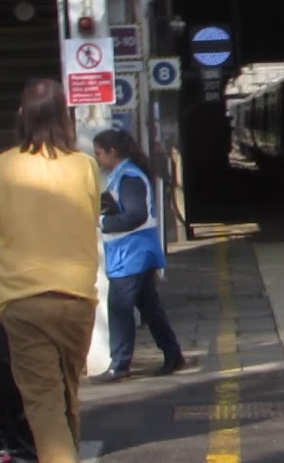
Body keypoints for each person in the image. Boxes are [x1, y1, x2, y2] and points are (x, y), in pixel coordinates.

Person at [0, 79, 102, 463]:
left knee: (43, 404)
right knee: (67, 395)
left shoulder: (1, 167)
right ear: (65, 118)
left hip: (25, 302)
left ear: (22, 117)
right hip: (78, 299)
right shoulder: (86, 167)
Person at [91, 128, 186, 382]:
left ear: (112, 152)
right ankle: (173, 354)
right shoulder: (125, 174)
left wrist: (102, 221)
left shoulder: (128, 176)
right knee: (150, 308)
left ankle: (119, 364)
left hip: (132, 254)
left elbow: (136, 214)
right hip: (136, 252)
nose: (98, 159)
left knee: (119, 307)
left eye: (99, 153)